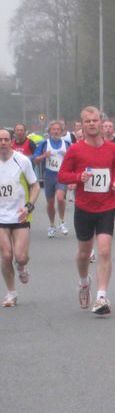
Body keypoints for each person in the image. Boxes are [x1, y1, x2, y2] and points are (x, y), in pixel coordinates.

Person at [58, 107, 115, 315]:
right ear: (82, 125)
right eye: (88, 121)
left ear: (101, 122)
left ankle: (101, 296)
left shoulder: (112, 148)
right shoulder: (75, 150)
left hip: (107, 205)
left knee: (104, 250)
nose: (92, 124)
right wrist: (78, 178)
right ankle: (84, 282)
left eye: (95, 120)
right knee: (84, 253)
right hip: (84, 207)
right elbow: (62, 175)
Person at [0, 128, 40, 307]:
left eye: (6, 139)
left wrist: (29, 206)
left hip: (20, 215)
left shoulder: (22, 160)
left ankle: (22, 266)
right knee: (6, 255)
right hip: (1, 216)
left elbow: (35, 185)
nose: (2, 143)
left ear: (11, 141)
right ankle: (11, 293)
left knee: (20, 256)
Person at [33, 120, 72, 237]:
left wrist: (67, 157)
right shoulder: (44, 144)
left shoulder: (67, 144)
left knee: (60, 198)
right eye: (53, 129)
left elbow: (74, 161)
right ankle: (51, 225)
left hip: (61, 175)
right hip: (49, 176)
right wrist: (44, 156)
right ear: (49, 131)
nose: (56, 131)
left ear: (61, 131)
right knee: (50, 204)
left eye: (58, 129)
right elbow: (35, 160)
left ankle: (62, 222)